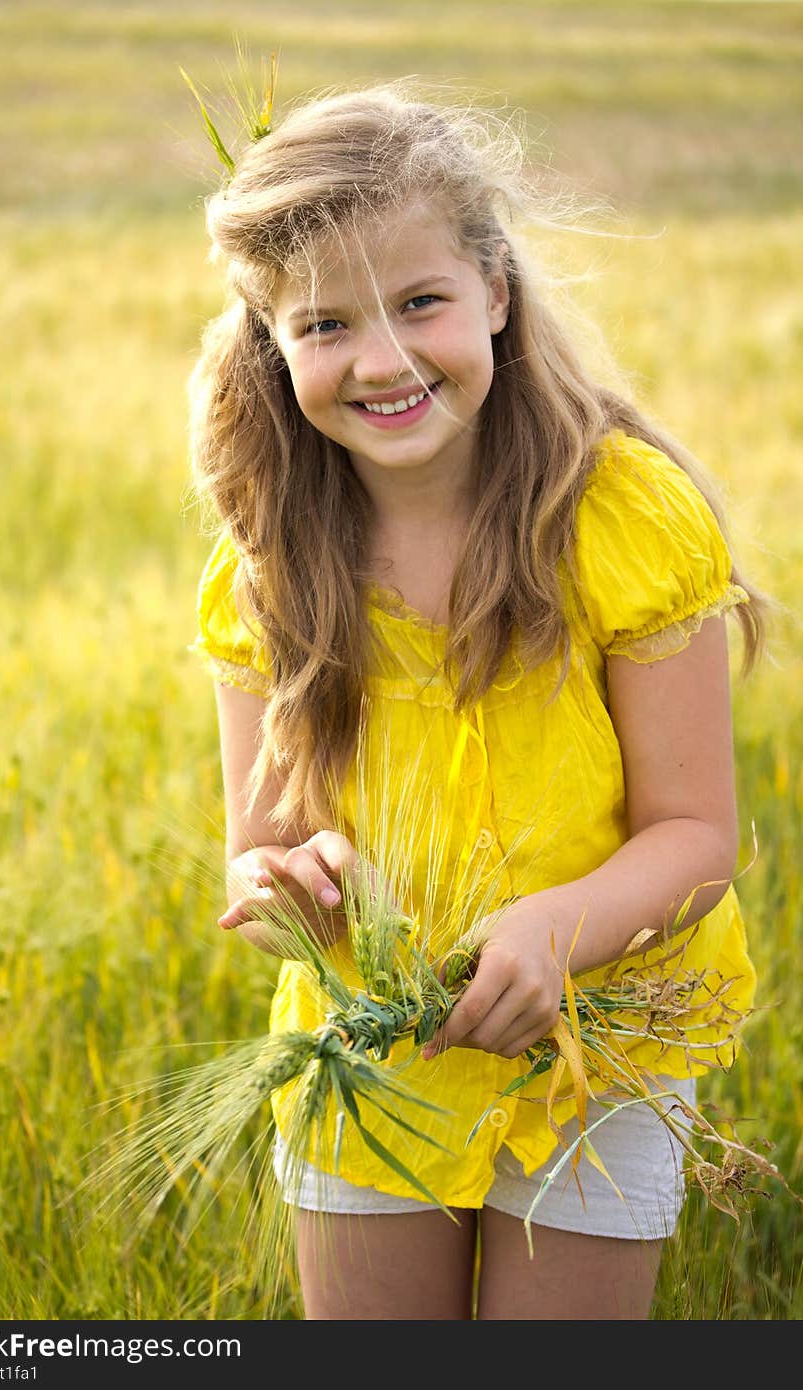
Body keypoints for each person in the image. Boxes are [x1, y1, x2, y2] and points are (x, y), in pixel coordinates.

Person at [187, 83, 767, 1320]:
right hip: (373, 1051)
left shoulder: (619, 517)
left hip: (604, 1045)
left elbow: (695, 835)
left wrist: (557, 930)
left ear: (495, 293)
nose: (383, 359)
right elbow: (261, 854)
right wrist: (289, 886)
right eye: (326, 323)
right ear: (271, 339)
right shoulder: (269, 572)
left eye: (421, 303)